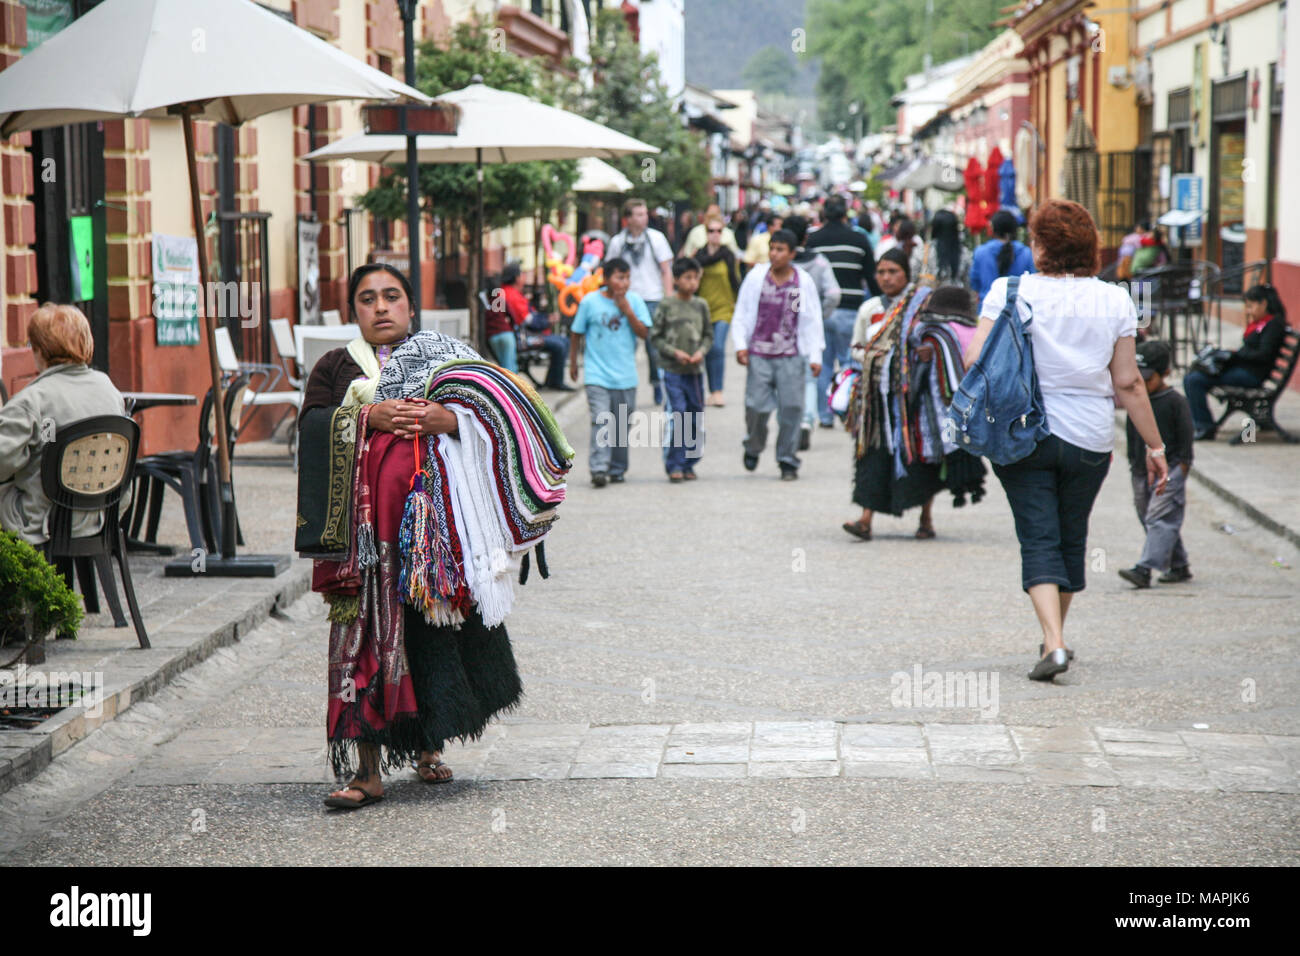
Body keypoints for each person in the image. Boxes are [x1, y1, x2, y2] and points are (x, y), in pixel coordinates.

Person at [299, 263, 520, 809]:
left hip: (434, 541)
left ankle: (428, 747)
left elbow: (494, 416)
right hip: (363, 546)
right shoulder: (335, 366)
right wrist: (367, 415)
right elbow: (308, 430)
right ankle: (366, 770)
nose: (380, 307)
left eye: (391, 296)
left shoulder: (446, 359)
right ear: (354, 311)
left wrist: (448, 421)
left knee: (432, 635)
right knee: (365, 647)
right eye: (367, 299)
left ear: (410, 308)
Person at [964, 199, 1169, 682]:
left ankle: (1053, 642)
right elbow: (1129, 383)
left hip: (1023, 434)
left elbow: (975, 356)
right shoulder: (1116, 299)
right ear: (1089, 248)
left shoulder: (1008, 291)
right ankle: (1054, 637)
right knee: (1070, 535)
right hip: (1089, 438)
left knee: (1038, 535)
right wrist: (1155, 447)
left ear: (1040, 247)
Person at [842, 278, 986, 543]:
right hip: (882, 410)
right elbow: (865, 350)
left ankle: (925, 519)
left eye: (892, 271)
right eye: (881, 271)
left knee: (925, 463)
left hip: (920, 415)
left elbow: (954, 374)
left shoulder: (940, 334)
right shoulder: (883, 320)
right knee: (874, 459)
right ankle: (865, 520)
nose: (886, 278)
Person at [0, 303, 125, 545]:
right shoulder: (109, 389)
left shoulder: (33, 400)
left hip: (41, 521)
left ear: (39, 350)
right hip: (99, 516)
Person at [730, 229, 825, 480]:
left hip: (791, 355)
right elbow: (742, 311)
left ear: (792, 254)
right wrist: (740, 344)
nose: (774, 254)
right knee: (757, 407)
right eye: (772, 248)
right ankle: (753, 445)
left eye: (781, 249)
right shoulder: (757, 278)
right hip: (759, 353)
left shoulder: (799, 283)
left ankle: (787, 459)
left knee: (792, 408)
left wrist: (815, 355)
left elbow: (808, 320)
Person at [569, 257, 652, 487]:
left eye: (627, 278)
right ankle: (598, 468)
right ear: (605, 279)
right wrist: (574, 363)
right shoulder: (589, 302)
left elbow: (645, 333)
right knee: (601, 421)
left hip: (625, 376)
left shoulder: (634, 301)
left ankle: (617, 468)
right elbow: (576, 333)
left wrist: (627, 311)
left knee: (621, 426)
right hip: (597, 374)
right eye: (619, 277)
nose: (624, 283)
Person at [1118, 340, 1195, 588]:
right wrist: (1133, 464)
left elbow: (1185, 446)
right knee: (1150, 517)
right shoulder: (1135, 399)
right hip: (1140, 471)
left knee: (1159, 517)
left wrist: (1179, 473)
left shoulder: (1176, 402)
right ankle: (1179, 564)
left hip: (1170, 469)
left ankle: (1144, 569)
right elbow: (1132, 436)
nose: (1141, 384)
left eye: (1148, 379)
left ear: (1165, 374)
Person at [807, 194, 880, 430]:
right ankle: (847, 410)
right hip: (852, 310)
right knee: (850, 362)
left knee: (823, 364)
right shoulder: (859, 240)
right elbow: (872, 277)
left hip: (821, 311)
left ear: (824, 213)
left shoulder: (813, 240)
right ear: (845, 213)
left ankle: (825, 415)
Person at [1183, 283, 1290, 440]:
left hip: (1251, 375)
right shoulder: (1263, 323)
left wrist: (1236, 355)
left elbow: (1263, 354)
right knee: (1195, 373)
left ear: (1264, 303)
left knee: (1194, 380)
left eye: (1250, 306)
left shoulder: (1273, 325)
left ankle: (1204, 426)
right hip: (1243, 369)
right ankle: (1202, 423)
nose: (1248, 311)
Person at [606, 198, 673, 403]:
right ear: (628, 218)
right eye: (639, 214)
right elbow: (609, 270)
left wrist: (668, 298)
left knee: (654, 348)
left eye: (645, 213)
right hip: (626, 299)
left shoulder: (656, 238)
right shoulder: (618, 242)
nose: (644, 218)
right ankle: (622, 386)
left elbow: (666, 270)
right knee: (625, 346)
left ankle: (657, 384)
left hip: (652, 299)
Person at [651, 258, 711, 482]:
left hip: (695, 372)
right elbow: (655, 337)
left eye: (696, 277)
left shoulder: (701, 305)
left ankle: (690, 462)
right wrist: (674, 352)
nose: (692, 282)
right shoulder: (667, 305)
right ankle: (674, 463)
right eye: (687, 277)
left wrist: (700, 352)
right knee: (678, 414)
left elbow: (708, 336)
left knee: (695, 416)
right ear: (676, 279)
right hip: (672, 370)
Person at [785, 213, 841, 450]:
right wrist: (821, 313)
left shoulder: (782, 266)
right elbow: (833, 293)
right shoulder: (819, 263)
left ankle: (789, 422)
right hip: (810, 327)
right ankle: (808, 420)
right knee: (811, 376)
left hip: (784, 330)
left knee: (786, 379)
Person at [498, 261, 573, 391]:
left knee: (563, 341)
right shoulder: (510, 294)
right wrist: (548, 321)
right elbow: (529, 321)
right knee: (560, 344)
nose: (524, 276)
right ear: (516, 277)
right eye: (522, 273)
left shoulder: (510, 292)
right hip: (522, 337)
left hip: (523, 334)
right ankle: (555, 381)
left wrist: (546, 319)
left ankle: (553, 380)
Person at [695, 215, 742, 407]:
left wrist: (738, 303)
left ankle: (718, 391)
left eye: (718, 231)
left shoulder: (728, 255)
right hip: (703, 308)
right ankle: (710, 391)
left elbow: (735, 280)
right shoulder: (699, 256)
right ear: (705, 233)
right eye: (711, 231)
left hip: (723, 307)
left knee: (718, 347)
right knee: (706, 350)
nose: (715, 234)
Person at [970, 209, 1035, 310]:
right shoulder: (1026, 253)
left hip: (988, 310)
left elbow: (975, 283)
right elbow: (1032, 283)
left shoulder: (981, 252)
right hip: (1019, 312)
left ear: (992, 229)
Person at [911, 209, 972, 288]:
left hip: (930, 298)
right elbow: (968, 282)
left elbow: (913, 277)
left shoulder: (922, 251)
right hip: (956, 297)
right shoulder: (964, 253)